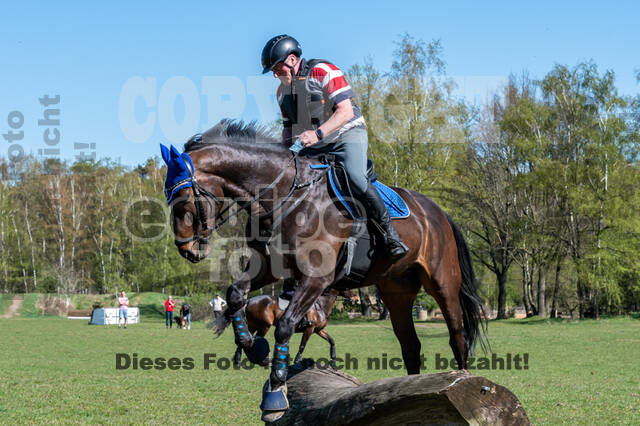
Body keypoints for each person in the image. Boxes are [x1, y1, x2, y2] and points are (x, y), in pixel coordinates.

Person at [261, 34, 408, 260]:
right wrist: (281, 156)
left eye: (277, 68)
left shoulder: (323, 71)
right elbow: (288, 130)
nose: (275, 74)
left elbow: (345, 111)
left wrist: (318, 133)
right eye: (272, 71)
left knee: (355, 177)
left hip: (347, 134)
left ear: (292, 59)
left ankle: (390, 236)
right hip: (316, 145)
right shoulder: (282, 93)